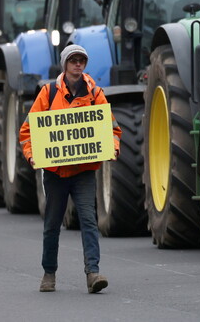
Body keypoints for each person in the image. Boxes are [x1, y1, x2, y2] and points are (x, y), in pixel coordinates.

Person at [19, 44, 122, 293]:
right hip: (55, 173)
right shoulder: (48, 92)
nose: (78, 64)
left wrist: (113, 147)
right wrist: (33, 156)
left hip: (84, 171)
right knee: (52, 224)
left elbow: (112, 128)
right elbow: (27, 131)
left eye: (81, 60)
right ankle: (49, 274)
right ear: (65, 64)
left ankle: (93, 274)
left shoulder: (95, 93)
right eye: (73, 60)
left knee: (89, 220)